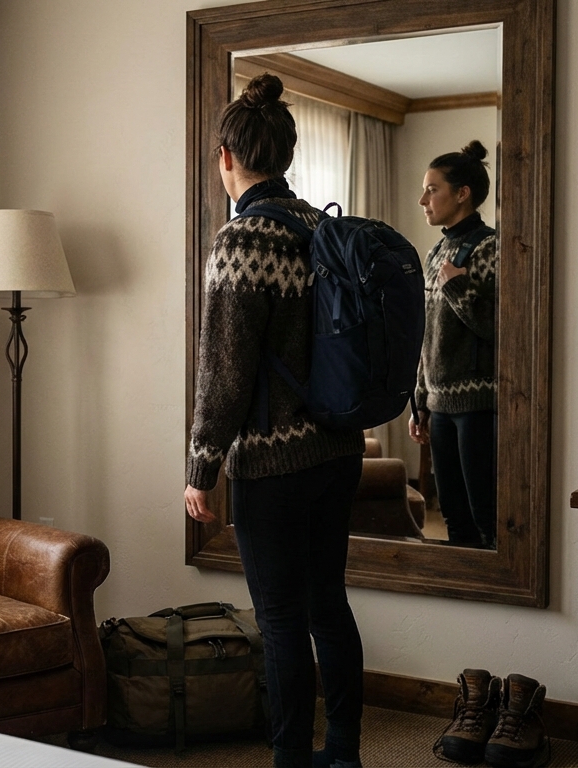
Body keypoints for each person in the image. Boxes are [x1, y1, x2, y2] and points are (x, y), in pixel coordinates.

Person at [184, 73, 367, 768]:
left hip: (273, 461)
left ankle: (290, 757)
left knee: (281, 617)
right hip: (340, 450)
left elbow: (224, 374)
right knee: (329, 605)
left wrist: (202, 467)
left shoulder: (241, 243)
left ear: (227, 157)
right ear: (284, 153)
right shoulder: (326, 230)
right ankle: (343, 752)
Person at [408, 140, 499, 548]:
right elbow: (426, 331)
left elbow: (501, 329)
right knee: (451, 515)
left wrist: (458, 286)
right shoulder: (435, 251)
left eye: (432, 189)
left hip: (479, 406)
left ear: (462, 194)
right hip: (439, 405)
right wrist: (419, 401)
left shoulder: (490, 247)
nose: (423, 199)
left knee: (486, 513)